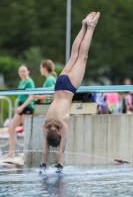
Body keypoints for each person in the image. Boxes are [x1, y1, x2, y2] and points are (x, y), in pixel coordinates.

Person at [40, 12, 100, 173]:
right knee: (74, 55)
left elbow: (61, 151)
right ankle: (83, 25)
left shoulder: (62, 126)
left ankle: (91, 27)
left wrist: (59, 167)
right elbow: (45, 148)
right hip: (59, 84)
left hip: (68, 88)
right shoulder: (45, 126)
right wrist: (43, 164)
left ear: (58, 132)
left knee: (82, 56)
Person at [8, 64, 35, 157]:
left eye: (24, 71)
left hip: (27, 107)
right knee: (11, 128)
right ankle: (12, 152)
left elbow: (31, 96)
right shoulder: (21, 82)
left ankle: (27, 152)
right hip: (21, 107)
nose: (22, 73)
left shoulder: (29, 82)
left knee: (26, 131)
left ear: (28, 71)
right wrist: (20, 107)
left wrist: (22, 107)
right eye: (20, 71)